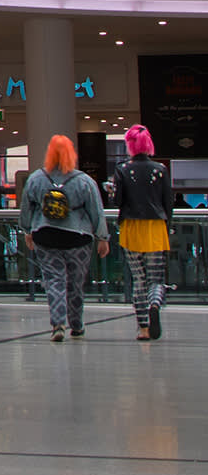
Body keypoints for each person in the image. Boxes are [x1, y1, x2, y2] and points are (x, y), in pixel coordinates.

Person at [20, 134, 109, 342]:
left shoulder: (36, 179)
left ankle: (58, 324)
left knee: (54, 281)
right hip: (78, 239)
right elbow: (97, 210)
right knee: (75, 283)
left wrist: (27, 231)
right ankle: (76, 325)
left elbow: (26, 209)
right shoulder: (84, 181)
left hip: (46, 236)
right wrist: (102, 237)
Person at [109, 123, 172, 342]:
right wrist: (167, 226)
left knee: (139, 279)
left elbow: (118, 201)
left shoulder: (122, 169)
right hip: (155, 226)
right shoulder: (161, 169)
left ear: (130, 145)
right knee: (156, 278)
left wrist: (111, 191)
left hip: (131, 227)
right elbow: (168, 202)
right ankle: (155, 303)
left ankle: (143, 328)